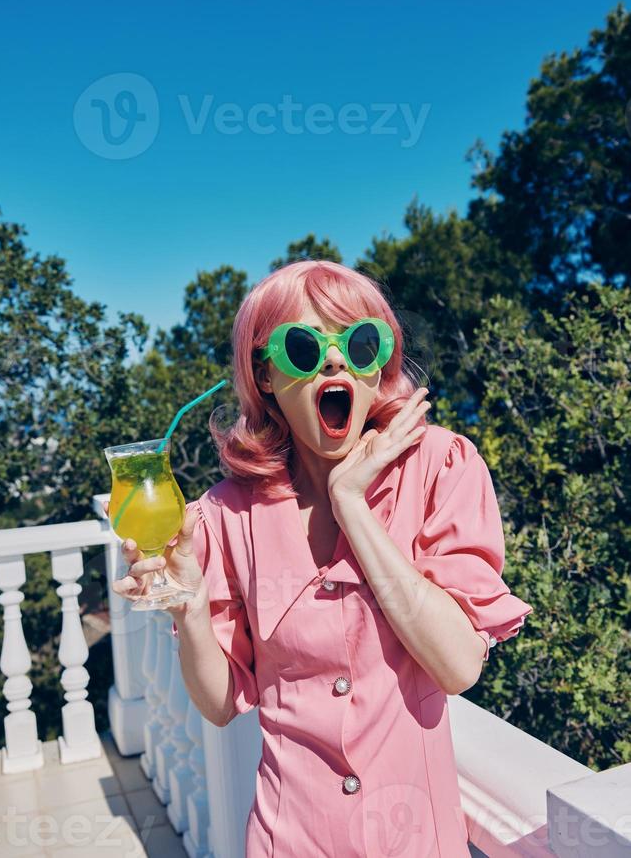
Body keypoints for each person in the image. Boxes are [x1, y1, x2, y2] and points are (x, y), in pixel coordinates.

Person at [111, 259, 533, 858]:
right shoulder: (226, 514)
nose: (336, 363)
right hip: (289, 839)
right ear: (265, 377)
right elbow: (220, 703)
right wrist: (192, 611)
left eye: (360, 345)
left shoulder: (441, 468)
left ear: (378, 367)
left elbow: (459, 666)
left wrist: (350, 503)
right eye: (305, 349)